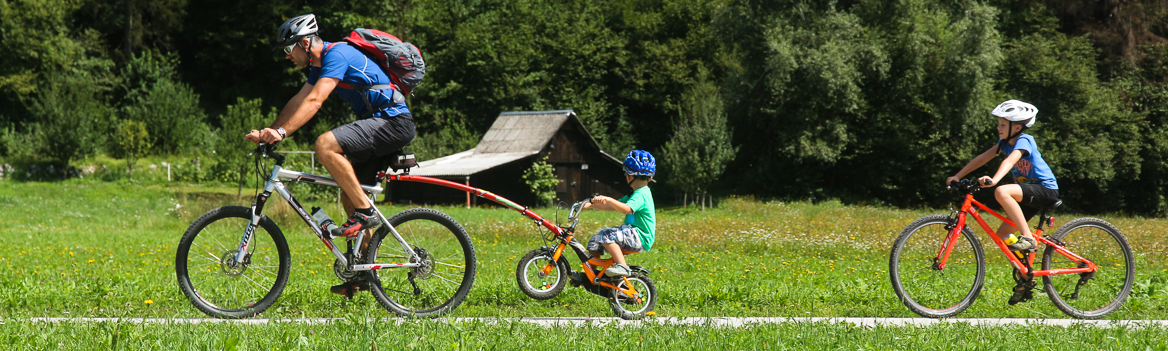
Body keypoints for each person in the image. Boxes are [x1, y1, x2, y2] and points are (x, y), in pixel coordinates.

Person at [245, 14, 416, 296]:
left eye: (289, 49)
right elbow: (298, 101)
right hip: (379, 123)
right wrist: (269, 132)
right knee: (350, 194)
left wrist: (283, 134)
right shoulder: (319, 65)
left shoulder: (338, 54)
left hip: (393, 122)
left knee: (325, 145)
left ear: (304, 42)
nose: (288, 57)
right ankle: (363, 270)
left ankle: (365, 213)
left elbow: (315, 101)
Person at [946, 100, 1060, 253]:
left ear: (1017, 127)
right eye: (999, 124)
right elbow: (982, 158)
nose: (998, 127)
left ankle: (1028, 238)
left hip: (1045, 189)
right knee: (1002, 235)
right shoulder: (1004, 143)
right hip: (1028, 193)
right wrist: (957, 175)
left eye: (1003, 124)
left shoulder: (1024, 140)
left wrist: (994, 180)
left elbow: (1011, 160)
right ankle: (1023, 270)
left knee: (1002, 191)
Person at [583, 150, 658, 277]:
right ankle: (591, 275)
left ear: (628, 175)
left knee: (605, 234)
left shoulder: (642, 194)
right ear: (650, 177)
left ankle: (623, 267)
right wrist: (591, 205)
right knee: (594, 241)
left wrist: (610, 199)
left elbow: (625, 209)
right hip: (632, 234)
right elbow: (612, 206)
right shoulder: (635, 194)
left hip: (640, 237)